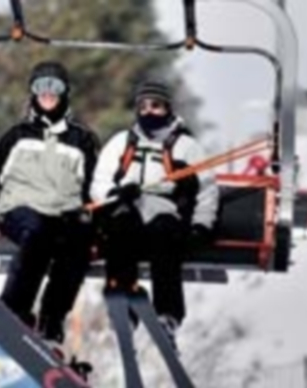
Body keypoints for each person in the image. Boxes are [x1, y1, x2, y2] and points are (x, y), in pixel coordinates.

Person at [0, 61, 100, 356]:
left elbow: (94, 186)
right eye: (41, 87)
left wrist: (93, 224)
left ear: (65, 93)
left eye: (55, 87)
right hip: (19, 210)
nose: (48, 94)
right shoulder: (16, 134)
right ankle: (14, 309)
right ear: (32, 93)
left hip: (64, 213)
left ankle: (51, 322)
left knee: (77, 246)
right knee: (38, 231)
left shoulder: (82, 140)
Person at [90, 80, 219, 350]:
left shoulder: (185, 146)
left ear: (168, 109)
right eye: (144, 106)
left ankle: (167, 314)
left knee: (165, 236)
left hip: (164, 213)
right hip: (128, 209)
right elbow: (99, 182)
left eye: (156, 106)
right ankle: (124, 304)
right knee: (118, 230)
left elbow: (206, 190)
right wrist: (116, 194)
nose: (149, 112)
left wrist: (201, 226)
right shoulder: (121, 143)